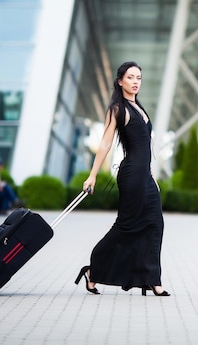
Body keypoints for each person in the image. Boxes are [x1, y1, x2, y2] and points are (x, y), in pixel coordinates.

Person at [78, 61, 169, 297]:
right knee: (127, 226)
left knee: (154, 224)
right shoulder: (118, 109)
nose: (136, 81)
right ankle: (93, 270)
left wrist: (151, 176)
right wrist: (92, 175)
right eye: (130, 77)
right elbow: (106, 143)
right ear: (120, 81)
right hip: (130, 176)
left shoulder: (138, 107)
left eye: (139, 77)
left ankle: (151, 279)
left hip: (145, 176)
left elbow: (146, 147)